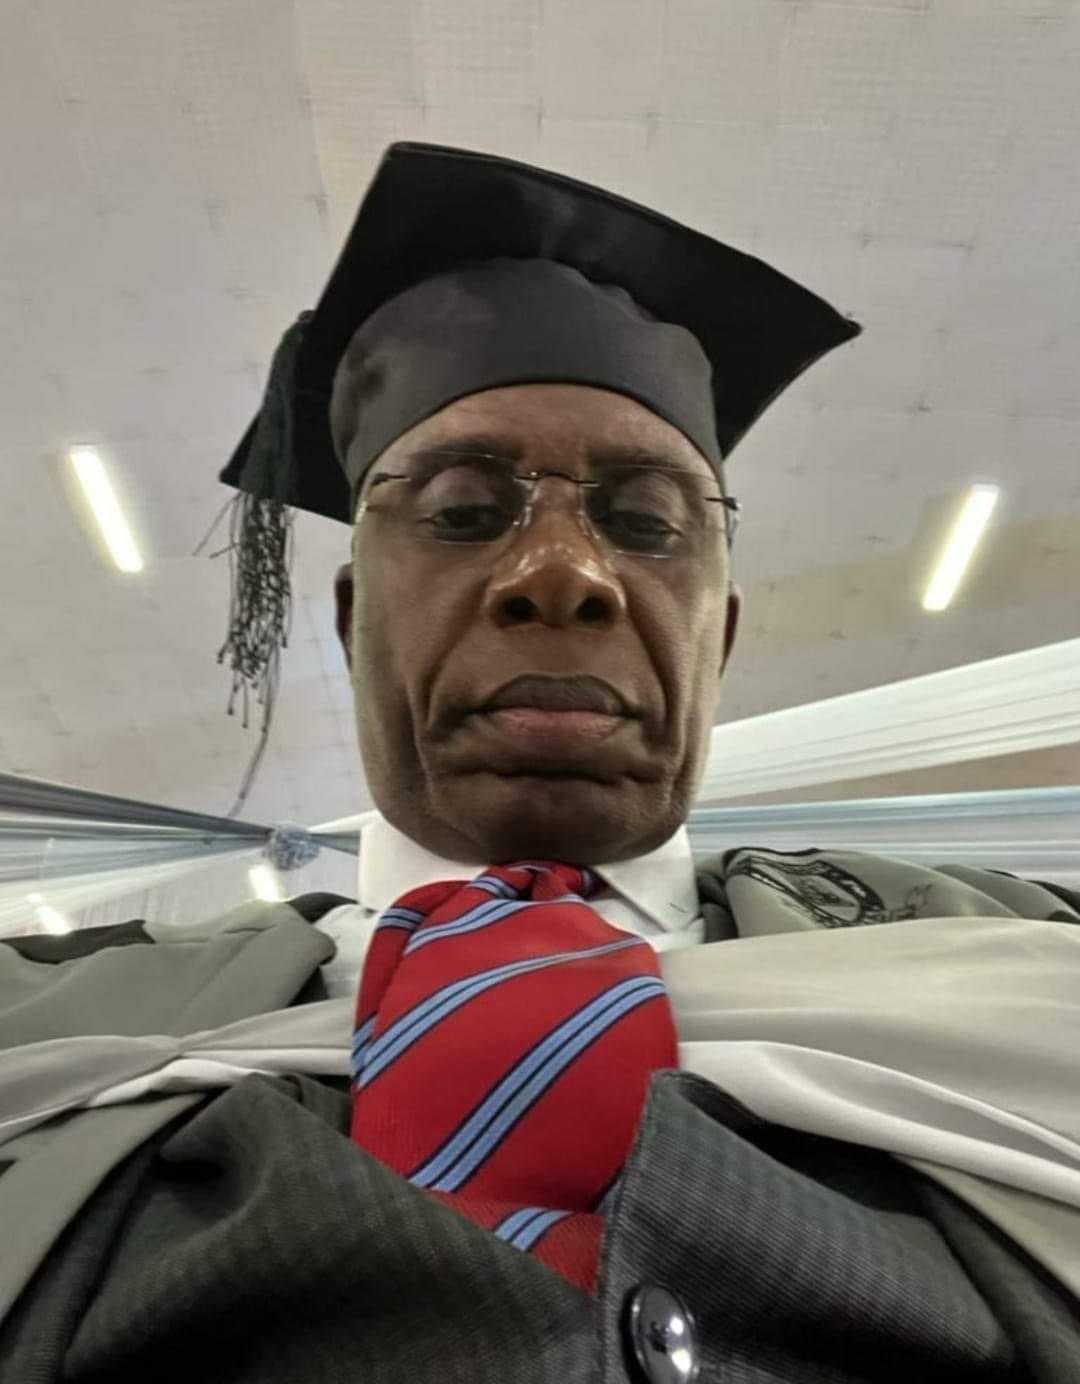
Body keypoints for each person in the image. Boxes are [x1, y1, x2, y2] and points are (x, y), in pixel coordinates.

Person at [2, 143, 1079, 1383]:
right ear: (353, 622)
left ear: (719, 637)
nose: (562, 572)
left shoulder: (1017, 958)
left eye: (646, 521)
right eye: (463, 512)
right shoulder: (48, 1016)